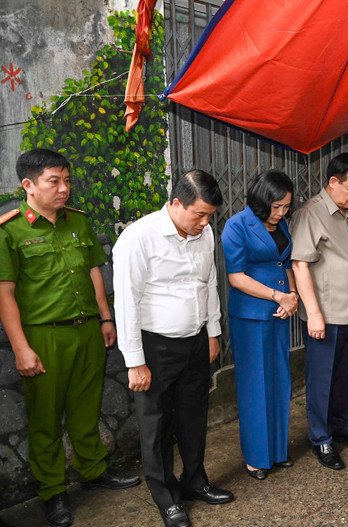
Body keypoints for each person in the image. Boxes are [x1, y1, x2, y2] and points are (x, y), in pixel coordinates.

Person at [0, 149, 140, 527]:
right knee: (45, 418)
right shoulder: (10, 230)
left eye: (66, 181)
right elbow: (5, 293)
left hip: (87, 329)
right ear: (29, 185)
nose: (64, 189)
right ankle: (53, 490)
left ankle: (93, 470)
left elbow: (93, 271)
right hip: (43, 337)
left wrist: (105, 318)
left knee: (85, 407)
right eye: (54, 181)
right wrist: (21, 348)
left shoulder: (77, 221)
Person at [113, 170, 232, 527]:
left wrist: (213, 333)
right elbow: (126, 304)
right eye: (200, 214)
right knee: (157, 424)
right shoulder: (138, 237)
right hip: (156, 347)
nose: (206, 223)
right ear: (176, 203)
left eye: (210, 216)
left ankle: (195, 480)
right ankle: (166, 498)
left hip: (196, 340)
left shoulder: (204, 233)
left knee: (194, 416)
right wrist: (135, 361)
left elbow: (208, 282)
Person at [290, 152, 348, 471]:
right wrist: (313, 314)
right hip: (326, 315)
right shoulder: (310, 214)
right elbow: (299, 265)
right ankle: (320, 437)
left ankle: (343, 425)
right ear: (333, 182)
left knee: (345, 376)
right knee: (322, 380)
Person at [220, 170, 298, 481]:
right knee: (255, 385)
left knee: (279, 380)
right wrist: (279, 296)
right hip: (251, 316)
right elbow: (236, 277)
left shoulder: (283, 224)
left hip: (280, 311)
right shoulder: (237, 225)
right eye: (276, 206)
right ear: (261, 201)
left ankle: (277, 451)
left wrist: (292, 296)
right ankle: (256, 457)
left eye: (287, 206)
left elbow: (286, 264)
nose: (281, 212)